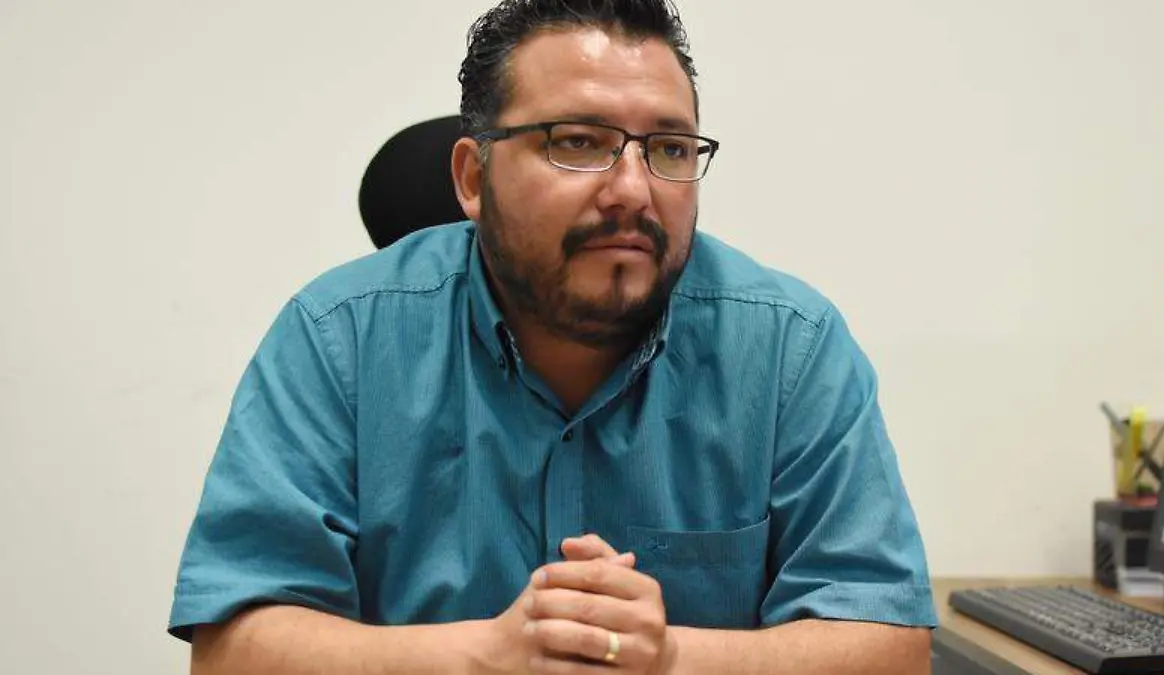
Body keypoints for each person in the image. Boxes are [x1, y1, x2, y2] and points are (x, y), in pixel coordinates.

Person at [170, 1, 938, 673]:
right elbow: (233, 649)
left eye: (669, 149)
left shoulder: (789, 348)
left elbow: (889, 647)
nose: (633, 189)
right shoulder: (339, 337)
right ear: (473, 178)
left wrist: (669, 658)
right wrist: (486, 656)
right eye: (578, 141)